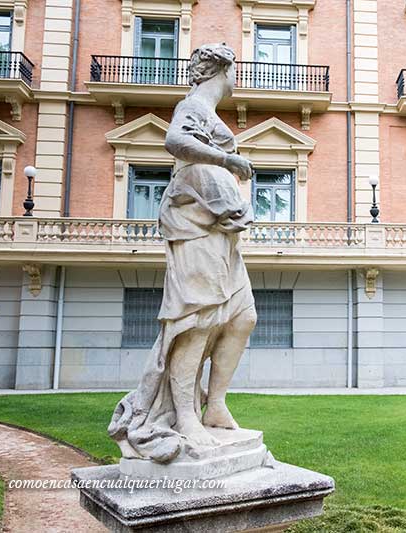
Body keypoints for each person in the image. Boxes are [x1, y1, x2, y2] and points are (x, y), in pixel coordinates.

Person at [108, 43, 257, 464]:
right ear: (224, 71)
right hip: (193, 225)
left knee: (243, 317)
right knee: (195, 322)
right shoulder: (192, 105)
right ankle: (186, 417)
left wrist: (225, 166)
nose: (235, 79)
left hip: (218, 227)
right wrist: (227, 158)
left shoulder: (209, 114)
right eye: (234, 71)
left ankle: (216, 403)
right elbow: (176, 141)